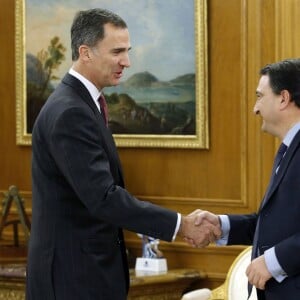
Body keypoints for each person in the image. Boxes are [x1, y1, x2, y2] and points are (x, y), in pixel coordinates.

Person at [25, 8, 220, 300]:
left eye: (127, 51)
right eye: (117, 52)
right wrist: (181, 225)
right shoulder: (70, 112)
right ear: (85, 52)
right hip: (72, 280)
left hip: (83, 276)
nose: (126, 62)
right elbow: (103, 198)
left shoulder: (80, 104)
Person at [194, 58, 300, 300]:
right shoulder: (290, 149)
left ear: (283, 98)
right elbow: (278, 225)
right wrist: (221, 226)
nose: (255, 108)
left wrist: (274, 261)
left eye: (260, 96)